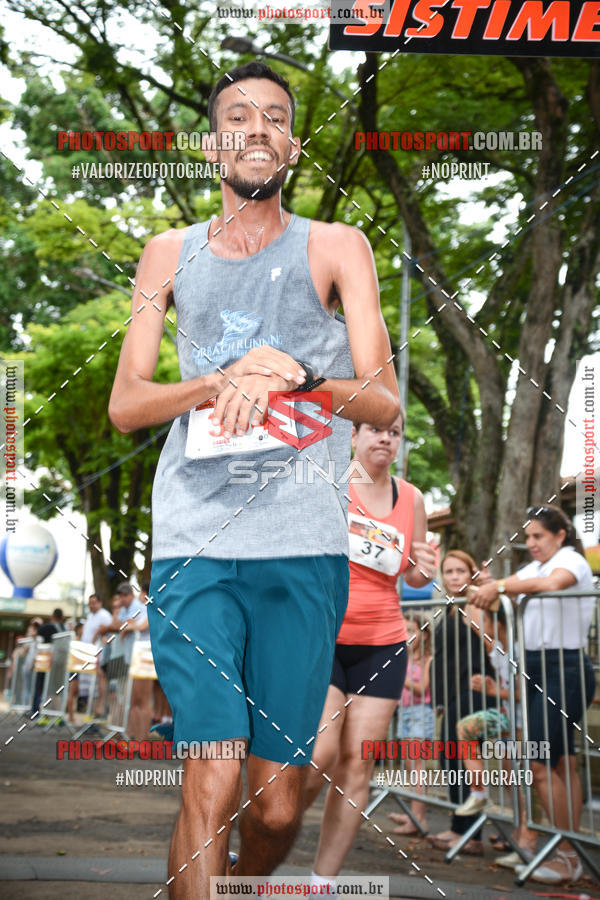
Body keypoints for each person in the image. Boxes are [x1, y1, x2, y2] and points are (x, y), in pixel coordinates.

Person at [108, 60, 400, 898]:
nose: (257, 129)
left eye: (275, 118)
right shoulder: (169, 251)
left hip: (303, 548)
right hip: (195, 543)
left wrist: (299, 374)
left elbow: (382, 400)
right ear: (212, 146)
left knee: (273, 808)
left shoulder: (338, 246)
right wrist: (221, 377)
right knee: (210, 777)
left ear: (295, 147)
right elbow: (128, 404)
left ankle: (232, 881)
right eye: (238, 117)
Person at [303, 415, 436, 892]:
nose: (386, 437)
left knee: (358, 763)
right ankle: (267, 827)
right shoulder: (333, 482)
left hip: (383, 642)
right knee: (319, 753)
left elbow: (415, 577)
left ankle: (322, 883)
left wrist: (425, 569)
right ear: (354, 436)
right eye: (376, 429)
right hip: (327, 636)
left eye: (395, 431)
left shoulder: (412, 498)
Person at [472, 504, 596, 884]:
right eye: (527, 537)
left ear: (560, 534)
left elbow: (551, 584)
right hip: (539, 668)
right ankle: (567, 850)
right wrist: (492, 584)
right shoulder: (533, 566)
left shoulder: (571, 560)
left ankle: (567, 853)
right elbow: (512, 587)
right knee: (560, 763)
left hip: (566, 668)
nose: (531, 543)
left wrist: (500, 586)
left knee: (539, 762)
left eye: (538, 536)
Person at [427, 552, 495, 855]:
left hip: (475, 693)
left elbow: (492, 644)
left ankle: (470, 835)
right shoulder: (450, 607)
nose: (454, 577)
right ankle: (460, 828)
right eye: (448, 572)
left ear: (471, 574)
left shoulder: (473, 604)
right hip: (454, 695)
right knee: (450, 759)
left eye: (460, 571)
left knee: (461, 760)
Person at [388, 613, 435, 835]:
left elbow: (423, 687)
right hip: (405, 712)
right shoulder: (402, 658)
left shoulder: (427, 660)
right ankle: (412, 813)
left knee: (417, 766)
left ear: (424, 635)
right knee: (408, 765)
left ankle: (419, 819)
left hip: (420, 712)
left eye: (411, 630)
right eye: (404, 630)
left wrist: (398, 678)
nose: (407, 635)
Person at [97, 583, 152, 741]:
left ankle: (141, 739)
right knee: (134, 700)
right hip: (137, 657)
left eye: (141, 592)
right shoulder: (145, 608)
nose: (139, 595)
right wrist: (126, 625)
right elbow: (126, 624)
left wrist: (127, 627)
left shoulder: (150, 608)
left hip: (145, 656)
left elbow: (140, 626)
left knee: (143, 700)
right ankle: (133, 736)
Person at [67, 594, 111, 723]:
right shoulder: (90, 617)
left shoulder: (104, 616)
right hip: (86, 659)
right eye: (90, 603)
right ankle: (91, 714)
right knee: (88, 688)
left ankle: (98, 713)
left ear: (100, 603)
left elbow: (107, 635)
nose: (91, 605)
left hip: (99, 657)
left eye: (94, 602)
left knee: (97, 686)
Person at [30, 608, 65, 716]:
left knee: (40, 686)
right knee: (55, 688)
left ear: (52, 616)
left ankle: (37, 711)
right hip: (60, 663)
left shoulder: (48, 627)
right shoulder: (64, 629)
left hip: (45, 662)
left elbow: (35, 636)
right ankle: (55, 713)